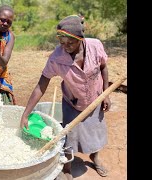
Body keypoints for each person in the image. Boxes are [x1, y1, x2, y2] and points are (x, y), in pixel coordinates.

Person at [20, 15, 110, 179]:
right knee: (68, 136)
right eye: (62, 42)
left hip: (96, 99)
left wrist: (105, 94)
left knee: (95, 131)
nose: (66, 47)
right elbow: (41, 84)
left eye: (71, 43)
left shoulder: (95, 46)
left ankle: (95, 157)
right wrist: (26, 113)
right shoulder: (56, 58)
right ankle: (66, 166)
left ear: (81, 39)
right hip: (72, 102)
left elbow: (103, 67)